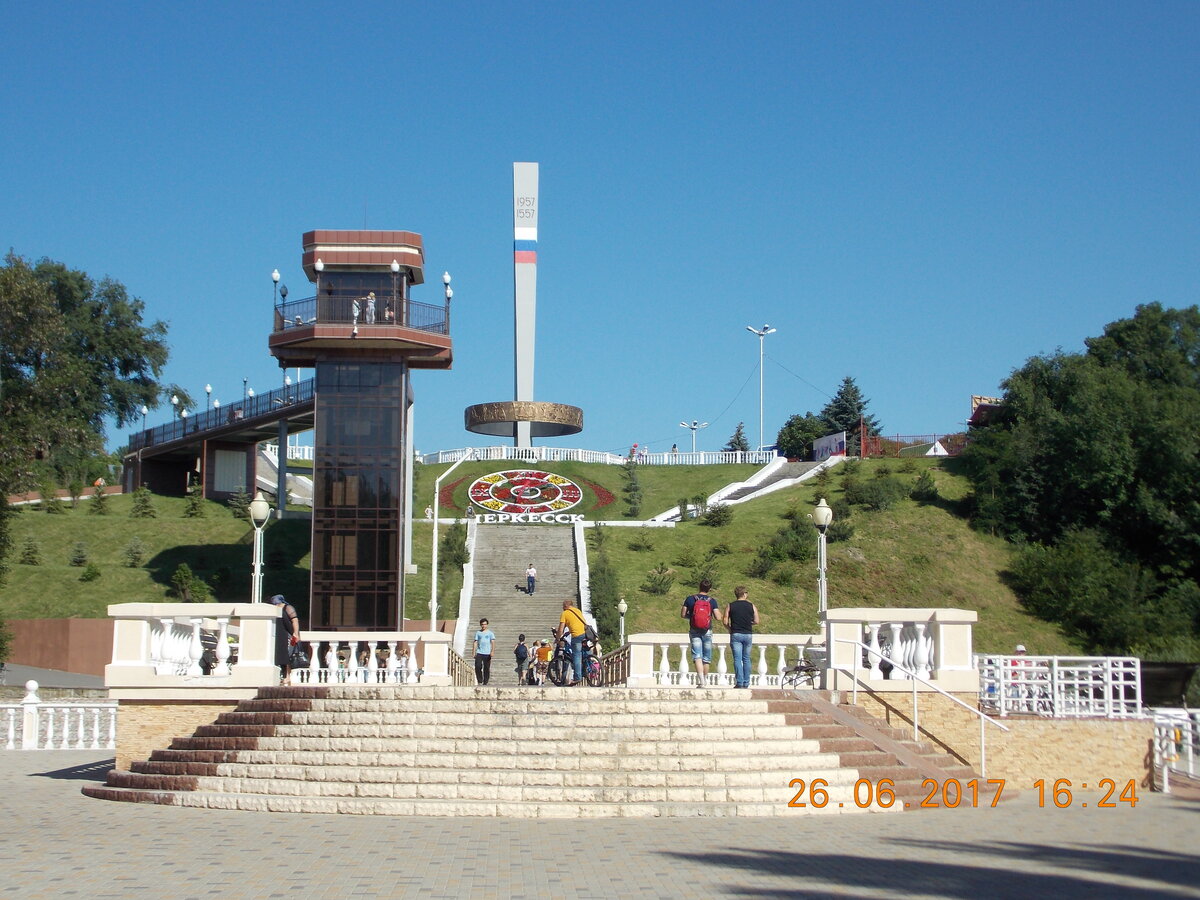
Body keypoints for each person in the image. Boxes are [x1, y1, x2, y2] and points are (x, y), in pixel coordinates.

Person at [681, 579, 719, 688]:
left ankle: (701, 680)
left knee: (697, 655)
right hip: (707, 630)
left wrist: (692, 617)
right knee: (706, 657)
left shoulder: (690, 599)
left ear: (699, 587)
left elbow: (683, 614)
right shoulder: (712, 601)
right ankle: (705, 680)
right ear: (709, 589)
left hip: (694, 629)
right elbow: (718, 617)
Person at [723, 586, 760, 689]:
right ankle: (746, 682)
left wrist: (730, 628)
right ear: (744, 594)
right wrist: (749, 623)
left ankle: (739, 682)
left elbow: (725, 621)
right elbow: (757, 621)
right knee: (746, 658)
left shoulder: (730, 605)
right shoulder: (751, 605)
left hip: (736, 634)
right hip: (748, 634)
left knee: (737, 659)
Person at [267, 594, 301, 684]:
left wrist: (296, 633)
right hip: (278, 635)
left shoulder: (288, 608)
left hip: (288, 635)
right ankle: (282, 675)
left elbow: (295, 620)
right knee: (280, 655)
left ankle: (288, 676)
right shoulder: (273, 609)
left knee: (288, 656)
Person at [557, 600, 588, 686]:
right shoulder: (577, 611)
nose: (562, 608)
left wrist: (558, 638)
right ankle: (587, 668)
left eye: (563, 606)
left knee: (576, 656)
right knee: (584, 653)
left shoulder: (565, 613)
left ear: (566, 606)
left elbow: (560, 629)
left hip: (576, 636)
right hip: (585, 634)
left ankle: (577, 677)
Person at [473, 618, 496, 685]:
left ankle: (485, 681)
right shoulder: (478, 633)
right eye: (482, 624)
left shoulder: (490, 633)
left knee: (486, 668)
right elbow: (475, 642)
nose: (483, 626)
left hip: (487, 653)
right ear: (480, 625)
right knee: (477, 666)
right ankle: (480, 680)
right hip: (479, 652)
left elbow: (493, 642)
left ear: (487, 625)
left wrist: (492, 651)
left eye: (485, 624)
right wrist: (473, 652)